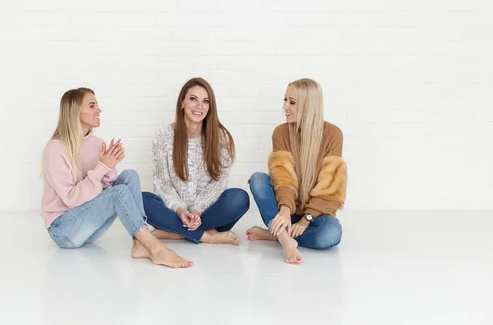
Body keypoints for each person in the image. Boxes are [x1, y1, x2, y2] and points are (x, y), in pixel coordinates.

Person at [41, 87, 192, 268]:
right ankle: (154, 247)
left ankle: (139, 243)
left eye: (97, 105)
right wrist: (101, 167)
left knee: (130, 176)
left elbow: (108, 189)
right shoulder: (55, 149)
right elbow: (71, 199)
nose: (99, 110)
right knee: (119, 192)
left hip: (88, 228)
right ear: (75, 111)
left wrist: (109, 166)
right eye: (92, 106)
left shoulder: (97, 143)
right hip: (64, 230)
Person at [246, 79, 347, 264]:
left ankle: (274, 234)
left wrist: (306, 220)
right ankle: (285, 240)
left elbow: (330, 188)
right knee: (258, 179)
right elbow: (283, 178)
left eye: (292, 102)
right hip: (286, 210)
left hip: (314, 215)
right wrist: (285, 210)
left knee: (332, 234)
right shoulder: (281, 133)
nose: (285, 107)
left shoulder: (333, 135)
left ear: (309, 105)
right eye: (285, 100)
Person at [143, 78, 250, 245]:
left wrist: (197, 211)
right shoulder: (163, 137)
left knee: (239, 198)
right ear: (182, 103)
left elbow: (218, 183)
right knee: (141, 200)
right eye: (193, 99)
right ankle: (206, 236)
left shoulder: (220, 137)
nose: (199, 106)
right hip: (174, 212)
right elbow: (162, 184)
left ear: (210, 107)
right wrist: (180, 210)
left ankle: (172, 232)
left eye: (205, 101)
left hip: (208, 213)